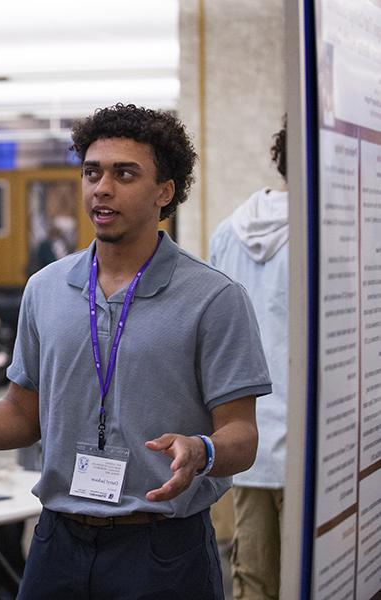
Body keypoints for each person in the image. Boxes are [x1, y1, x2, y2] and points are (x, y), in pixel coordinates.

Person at [0, 103, 272, 598]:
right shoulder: (46, 289)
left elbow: (243, 434)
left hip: (162, 550)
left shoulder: (213, 299)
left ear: (165, 191)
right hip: (57, 543)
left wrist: (203, 450)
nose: (102, 187)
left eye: (125, 174)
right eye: (92, 172)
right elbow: (22, 414)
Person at [209, 118, 288, 600]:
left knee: (253, 576)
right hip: (322, 441)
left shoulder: (228, 232)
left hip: (250, 433)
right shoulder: (335, 227)